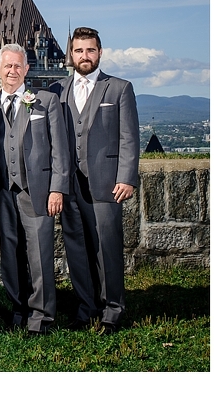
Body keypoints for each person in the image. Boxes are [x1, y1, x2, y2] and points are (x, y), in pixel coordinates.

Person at [50, 27, 139, 334]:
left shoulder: (119, 89)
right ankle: (86, 308)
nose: (84, 56)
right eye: (78, 51)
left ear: (100, 53)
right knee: (76, 247)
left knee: (107, 247)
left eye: (90, 50)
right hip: (68, 185)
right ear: (70, 55)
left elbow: (129, 137)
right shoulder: (56, 90)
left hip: (106, 182)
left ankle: (113, 310)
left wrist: (126, 177)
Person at [0, 43, 69, 335]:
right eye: (7, 66)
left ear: (26, 69)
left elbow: (60, 149)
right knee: (9, 254)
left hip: (37, 190)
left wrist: (57, 188)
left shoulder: (44, 102)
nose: (12, 71)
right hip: (3, 192)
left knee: (39, 254)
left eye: (18, 66)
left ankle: (42, 316)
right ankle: (19, 309)